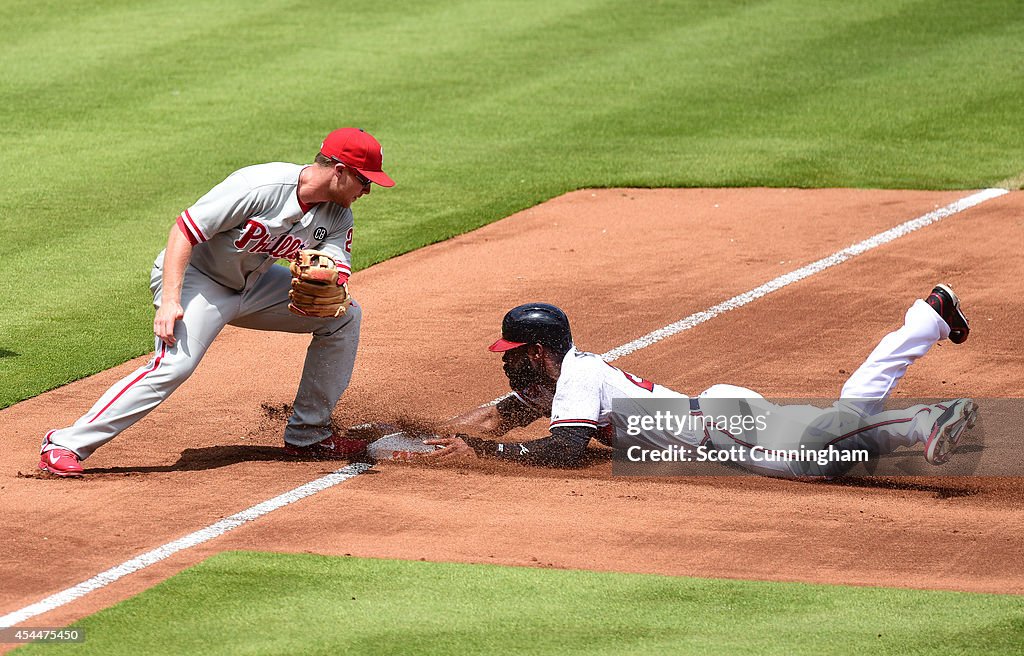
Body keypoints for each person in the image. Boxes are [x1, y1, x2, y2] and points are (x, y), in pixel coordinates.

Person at [38, 128, 395, 477]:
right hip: (197, 279)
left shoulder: (338, 214)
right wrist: (170, 301)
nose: (368, 189)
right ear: (339, 171)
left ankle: (309, 435)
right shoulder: (260, 186)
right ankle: (65, 443)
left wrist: (331, 281)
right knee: (174, 366)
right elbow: (184, 231)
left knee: (343, 316)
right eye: (365, 180)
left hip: (253, 285)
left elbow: (336, 270)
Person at [418, 285, 979, 478]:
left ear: (538, 352)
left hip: (720, 428)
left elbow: (563, 453)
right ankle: (928, 317)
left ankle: (922, 421)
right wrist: (421, 435)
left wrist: (481, 451)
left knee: (821, 460)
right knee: (842, 425)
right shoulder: (554, 382)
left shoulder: (579, 376)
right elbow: (495, 416)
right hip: (719, 416)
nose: (505, 363)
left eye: (512, 354)